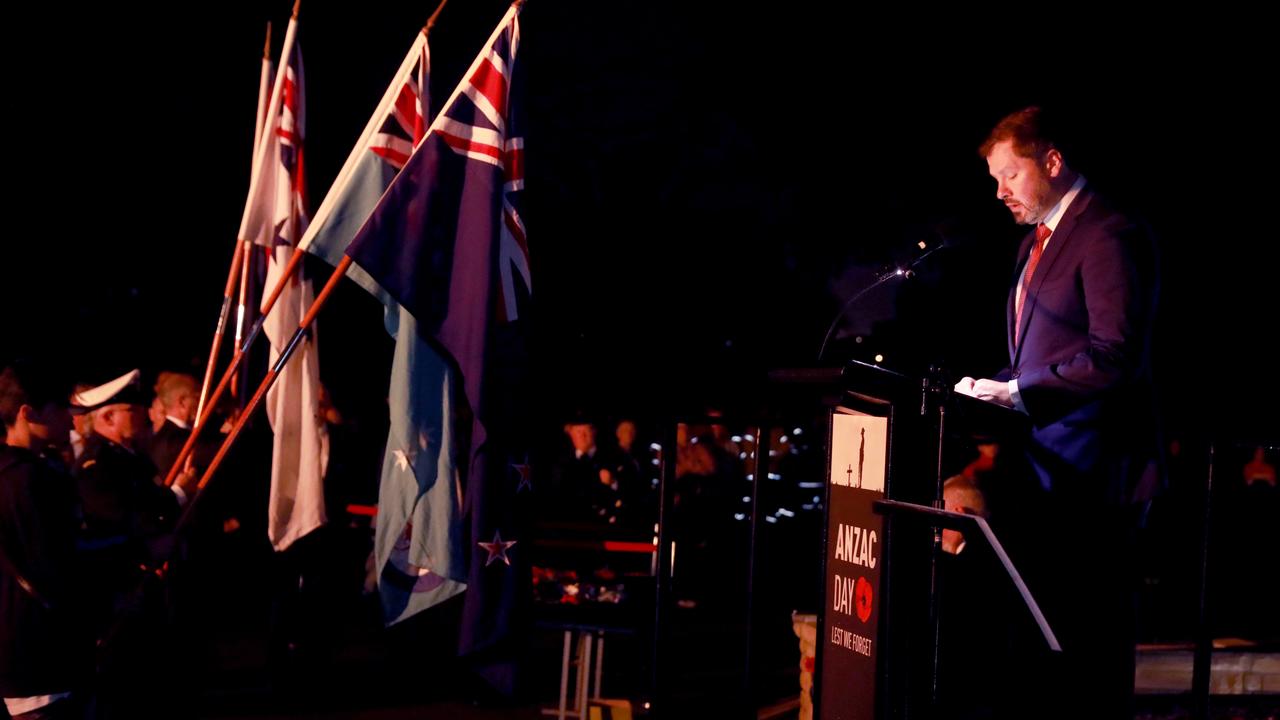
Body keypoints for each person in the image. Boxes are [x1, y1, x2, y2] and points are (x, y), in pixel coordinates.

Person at [954, 106, 1160, 719]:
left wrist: (1020, 394)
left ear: (1051, 161)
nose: (1000, 192)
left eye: (1010, 176)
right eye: (994, 180)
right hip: (1040, 475)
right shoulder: (1031, 245)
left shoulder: (1107, 232)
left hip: (1097, 478)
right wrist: (982, 388)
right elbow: (1039, 358)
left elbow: (1113, 355)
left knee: (1088, 659)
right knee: (1040, 660)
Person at [1, 362, 92, 719]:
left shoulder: (13, 474)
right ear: (29, 413)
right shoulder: (33, 481)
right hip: (40, 649)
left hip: (16, 648)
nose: (71, 422)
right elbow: (59, 564)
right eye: (61, 411)